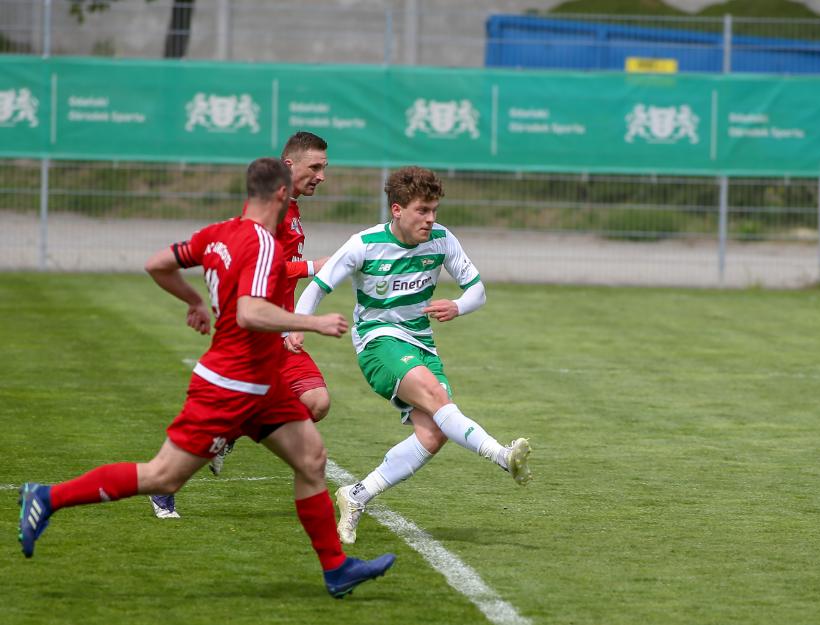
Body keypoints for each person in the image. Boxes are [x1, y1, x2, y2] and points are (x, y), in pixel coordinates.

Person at [18, 158, 395, 598]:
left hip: (263, 381)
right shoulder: (263, 243)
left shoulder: (216, 233)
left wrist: (195, 301)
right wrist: (310, 323)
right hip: (230, 385)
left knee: (311, 459)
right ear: (279, 194)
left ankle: (336, 569)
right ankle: (46, 497)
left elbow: (157, 263)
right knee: (163, 476)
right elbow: (249, 312)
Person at [292, 165, 532, 545]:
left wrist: (457, 305)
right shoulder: (364, 244)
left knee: (434, 433)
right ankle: (502, 456)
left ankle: (356, 495)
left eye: (434, 209)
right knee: (438, 400)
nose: (431, 219)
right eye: (423, 210)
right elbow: (318, 286)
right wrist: (297, 325)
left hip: (421, 343)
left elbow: (477, 291)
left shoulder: (441, 239)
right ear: (398, 210)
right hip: (378, 342)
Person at [150, 131, 334, 518]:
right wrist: (312, 268)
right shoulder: (271, 214)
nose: (321, 175)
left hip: (281, 330)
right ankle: (164, 486)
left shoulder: (292, 210)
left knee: (317, 402)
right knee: (227, 424)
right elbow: (263, 265)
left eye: (324, 168)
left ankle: (233, 433)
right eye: (315, 167)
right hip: (257, 333)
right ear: (289, 166)